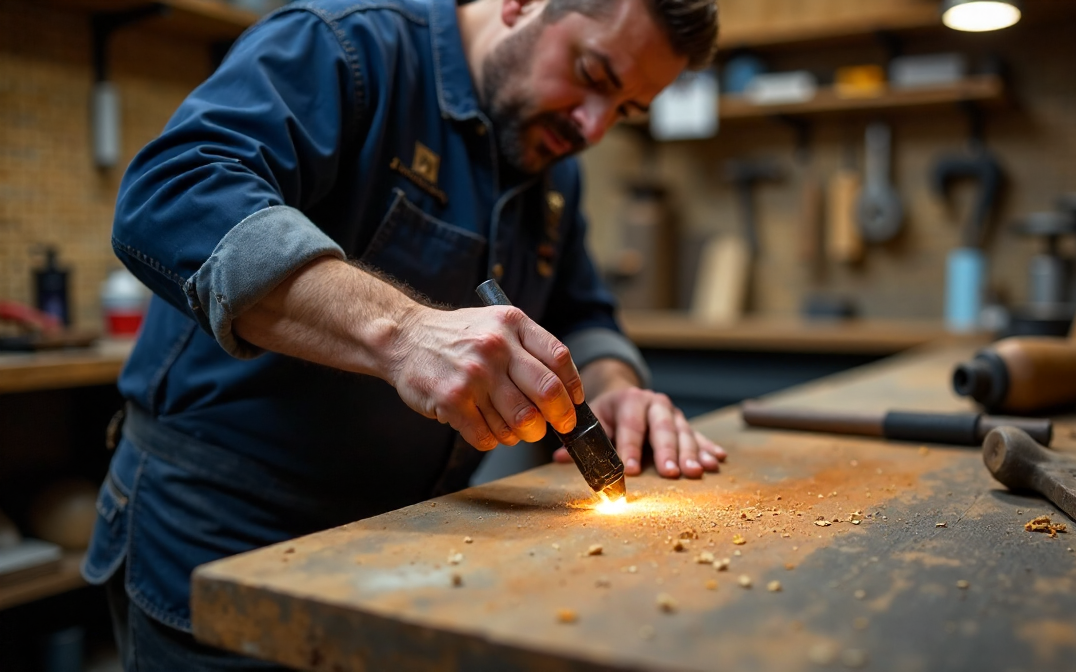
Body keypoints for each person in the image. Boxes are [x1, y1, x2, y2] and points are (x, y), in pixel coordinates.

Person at [84, 0, 721, 668]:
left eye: (624, 110)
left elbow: (582, 311)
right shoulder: (346, 45)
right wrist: (404, 333)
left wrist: (616, 388)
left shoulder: (552, 164)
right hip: (221, 537)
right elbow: (172, 194)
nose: (593, 124)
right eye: (592, 73)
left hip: (401, 544)